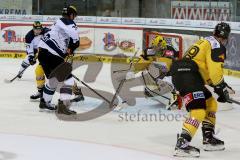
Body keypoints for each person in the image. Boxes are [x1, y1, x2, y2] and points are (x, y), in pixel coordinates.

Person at [171, 22, 234, 157]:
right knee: (198, 110)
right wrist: (220, 86)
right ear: (226, 37)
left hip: (186, 73)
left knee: (211, 104)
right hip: (188, 74)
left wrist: (219, 86)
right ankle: (182, 144)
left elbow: (204, 70)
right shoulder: (217, 45)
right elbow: (215, 72)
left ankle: (208, 139)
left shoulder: (206, 41)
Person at [37, 5, 80, 115]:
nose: (74, 18)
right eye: (74, 15)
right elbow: (75, 36)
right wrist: (75, 43)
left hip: (43, 54)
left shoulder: (57, 23)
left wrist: (68, 50)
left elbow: (63, 42)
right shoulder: (67, 21)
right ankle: (63, 106)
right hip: (52, 54)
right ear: (71, 14)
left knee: (53, 80)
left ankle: (45, 102)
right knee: (69, 80)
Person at [140, 35, 180, 108]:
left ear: (164, 46)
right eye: (155, 48)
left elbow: (179, 58)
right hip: (159, 73)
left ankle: (173, 97)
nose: (157, 50)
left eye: (159, 48)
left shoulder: (171, 50)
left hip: (170, 74)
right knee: (146, 72)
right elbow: (141, 58)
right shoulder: (150, 50)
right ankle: (153, 91)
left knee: (172, 82)